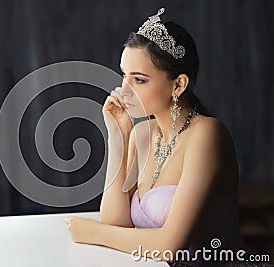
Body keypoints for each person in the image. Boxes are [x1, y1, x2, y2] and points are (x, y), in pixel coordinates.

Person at [64, 8, 248, 266]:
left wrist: (92, 232)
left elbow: (168, 248)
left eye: (139, 80)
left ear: (178, 85)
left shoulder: (207, 134)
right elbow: (116, 221)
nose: (124, 90)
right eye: (124, 75)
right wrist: (117, 137)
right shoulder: (143, 132)